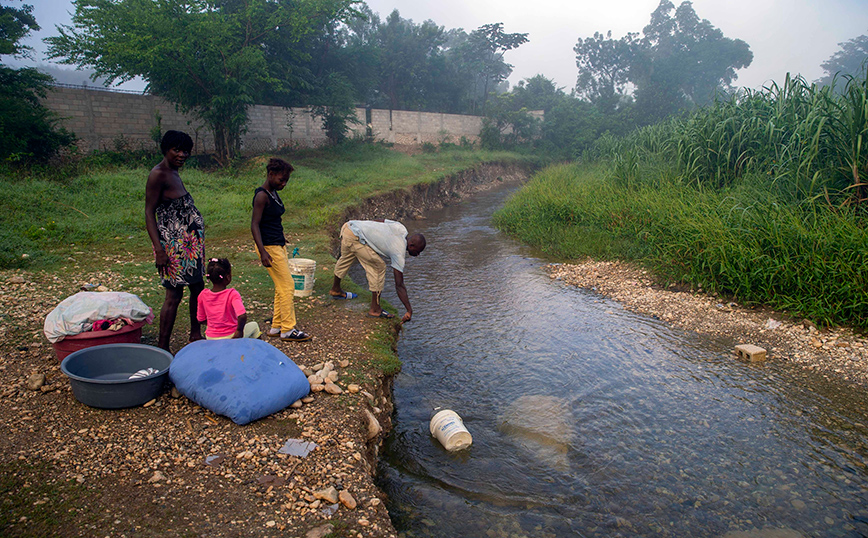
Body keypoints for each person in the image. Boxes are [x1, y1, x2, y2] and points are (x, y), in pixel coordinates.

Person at [145, 130, 205, 351]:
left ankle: (195, 334)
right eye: (176, 150)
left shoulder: (174, 172)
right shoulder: (158, 174)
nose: (182, 154)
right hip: (173, 246)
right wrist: (159, 250)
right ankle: (163, 347)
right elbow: (149, 213)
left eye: (185, 151)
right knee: (174, 293)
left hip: (191, 245)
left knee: (197, 287)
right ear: (165, 150)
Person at [251, 158, 311, 342]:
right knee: (288, 286)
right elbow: (254, 225)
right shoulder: (262, 196)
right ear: (270, 174)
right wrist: (262, 252)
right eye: (280, 180)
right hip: (268, 247)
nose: (283, 183)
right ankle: (288, 329)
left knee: (280, 286)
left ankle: (276, 326)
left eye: (286, 181)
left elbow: (272, 221)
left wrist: (281, 238)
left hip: (277, 244)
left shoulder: (273, 193)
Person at [330, 219, 426, 322]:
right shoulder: (399, 252)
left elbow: (380, 221)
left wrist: (366, 228)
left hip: (349, 227)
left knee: (346, 258)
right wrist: (409, 310)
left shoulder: (401, 228)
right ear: (411, 246)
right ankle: (375, 309)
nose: (417, 255)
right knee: (378, 267)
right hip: (356, 237)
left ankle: (336, 290)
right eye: (417, 251)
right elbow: (399, 285)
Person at [196, 258, 261, 339]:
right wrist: (239, 331)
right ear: (228, 277)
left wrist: (215, 325)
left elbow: (200, 319)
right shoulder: (232, 294)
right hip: (231, 335)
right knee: (254, 326)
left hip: (211, 337)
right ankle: (258, 350)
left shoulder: (203, 295)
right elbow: (242, 315)